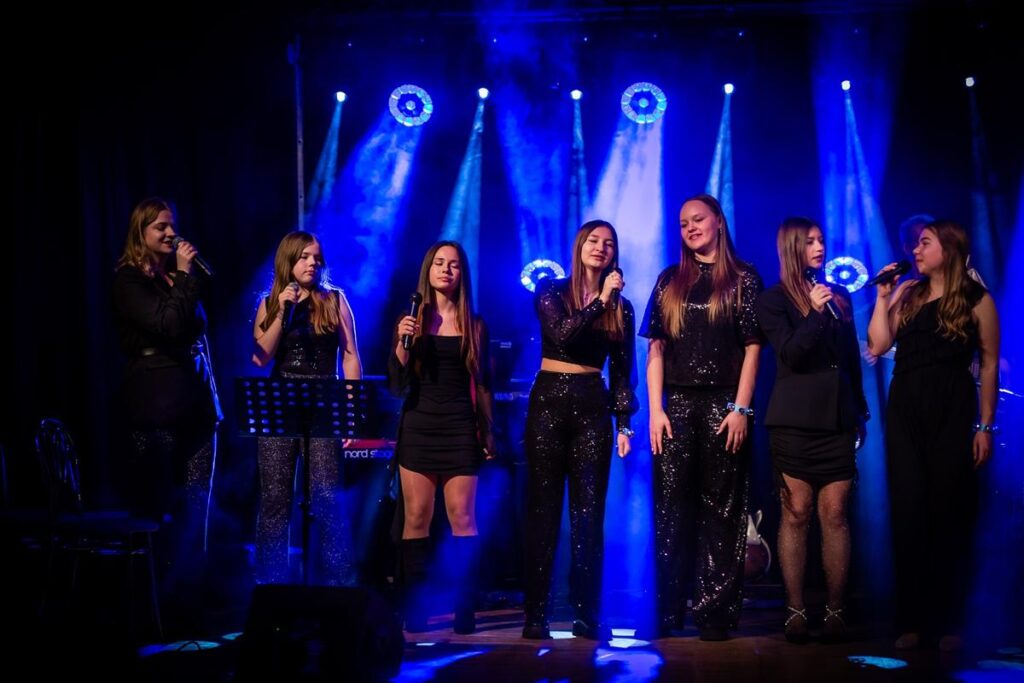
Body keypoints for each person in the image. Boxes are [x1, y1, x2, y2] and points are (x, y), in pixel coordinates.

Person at [867, 221, 999, 652]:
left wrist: (984, 426)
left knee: (950, 512)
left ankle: (951, 620)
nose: (916, 250)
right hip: (906, 407)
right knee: (909, 512)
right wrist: (883, 297)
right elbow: (878, 344)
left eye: (925, 243)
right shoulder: (908, 292)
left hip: (952, 407)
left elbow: (989, 363)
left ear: (949, 248)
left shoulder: (975, 299)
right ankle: (913, 619)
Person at [641, 193, 762, 642]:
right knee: (671, 508)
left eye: (697, 219)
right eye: (683, 223)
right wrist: (655, 410)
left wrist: (740, 408)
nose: (689, 228)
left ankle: (714, 614)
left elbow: (753, 347)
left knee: (722, 510)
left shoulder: (743, 278)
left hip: (723, 404)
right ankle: (666, 610)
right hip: (676, 405)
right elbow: (656, 348)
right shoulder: (670, 279)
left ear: (718, 222)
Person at [522, 220, 637, 641]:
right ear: (579, 245)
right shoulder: (550, 290)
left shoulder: (622, 308)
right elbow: (563, 334)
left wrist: (624, 423)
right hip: (549, 401)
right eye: (593, 240)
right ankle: (536, 613)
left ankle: (587, 613)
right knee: (544, 511)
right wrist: (599, 302)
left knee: (588, 517)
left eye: (609, 243)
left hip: (593, 406)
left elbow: (623, 371)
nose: (601, 248)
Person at [756, 217, 869, 643]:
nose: (820, 247)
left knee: (835, 514)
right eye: (810, 242)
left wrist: (859, 410)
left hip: (836, 418)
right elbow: (791, 354)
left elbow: (850, 360)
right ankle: (795, 609)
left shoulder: (838, 296)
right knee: (797, 513)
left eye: (822, 240)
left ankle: (836, 610)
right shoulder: (772, 300)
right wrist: (816, 313)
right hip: (794, 420)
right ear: (791, 247)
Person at [112, 197, 221, 623]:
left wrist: (182, 278)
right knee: (157, 503)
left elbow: (194, 326)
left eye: (172, 225)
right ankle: (154, 603)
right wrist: (184, 277)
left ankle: (193, 595)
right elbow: (167, 324)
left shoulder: (173, 278)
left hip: (194, 402)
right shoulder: (128, 281)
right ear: (141, 232)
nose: (171, 233)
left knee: (197, 503)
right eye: (161, 227)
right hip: (154, 403)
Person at [389, 241, 495, 635]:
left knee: (462, 518)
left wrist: (488, 432)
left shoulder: (475, 324)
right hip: (419, 426)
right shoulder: (412, 320)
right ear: (428, 270)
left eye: (453, 264)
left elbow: (483, 383)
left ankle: (464, 609)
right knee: (416, 517)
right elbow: (396, 385)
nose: (446, 270)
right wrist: (402, 345)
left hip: (459, 426)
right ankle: (416, 609)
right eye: (439, 263)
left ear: (462, 273)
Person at [251, 231, 362, 585]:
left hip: (324, 403)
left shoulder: (334, 300)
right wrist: (282, 311)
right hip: (280, 406)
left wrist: (351, 411)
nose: (313, 263)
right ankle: (271, 585)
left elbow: (350, 356)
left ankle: (338, 585)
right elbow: (260, 358)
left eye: (317, 257)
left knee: (327, 497)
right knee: (275, 498)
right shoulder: (269, 303)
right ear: (288, 260)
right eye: (304, 257)